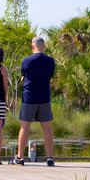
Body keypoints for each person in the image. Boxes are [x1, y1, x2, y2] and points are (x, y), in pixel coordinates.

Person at [11, 36, 56, 166]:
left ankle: (20, 157)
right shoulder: (50, 61)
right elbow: (49, 77)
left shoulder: (26, 61)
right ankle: (50, 157)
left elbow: (23, 76)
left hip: (29, 97)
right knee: (47, 128)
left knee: (24, 127)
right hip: (44, 97)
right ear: (43, 46)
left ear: (32, 46)